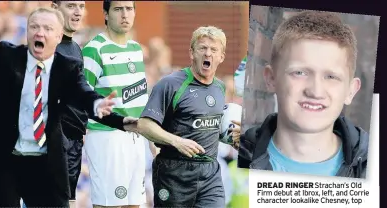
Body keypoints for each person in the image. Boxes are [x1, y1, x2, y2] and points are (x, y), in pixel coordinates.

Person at [0, 7, 137, 207]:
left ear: (58, 36)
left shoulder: (68, 68)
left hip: (44, 160)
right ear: (28, 32)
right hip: (4, 157)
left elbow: (83, 93)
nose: (40, 32)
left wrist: (98, 104)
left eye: (47, 28)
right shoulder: (7, 56)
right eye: (34, 27)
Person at [236, 11, 368, 178]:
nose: (315, 91)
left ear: (351, 90)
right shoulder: (236, 158)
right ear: (271, 79)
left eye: (331, 76)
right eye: (299, 73)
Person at [137, 26, 227, 207]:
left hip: (210, 173)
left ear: (221, 57)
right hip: (174, 173)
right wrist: (176, 141)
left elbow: (212, 128)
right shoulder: (170, 84)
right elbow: (144, 124)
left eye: (213, 49)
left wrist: (234, 138)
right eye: (202, 48)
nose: (207, 53)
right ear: (192, 53)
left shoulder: (220, 88)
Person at [81, 1, 149, 207]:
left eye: (129, 9)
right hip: (106, 137)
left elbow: (140, 100)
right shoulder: (94, 49)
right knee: (110, 205)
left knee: (134, 204)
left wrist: (152, 140)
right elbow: (81, 98)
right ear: (105, 14)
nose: (124, 14)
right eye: (118, 9)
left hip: (136, 137)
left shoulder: (136, 48)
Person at [51, 1, 88, 207]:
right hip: (54, 143)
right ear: (55, 8)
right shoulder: (46, 47)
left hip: (74, 144)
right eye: (71, 6)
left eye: (81, 6)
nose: (77, 12)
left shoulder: (75, 48)